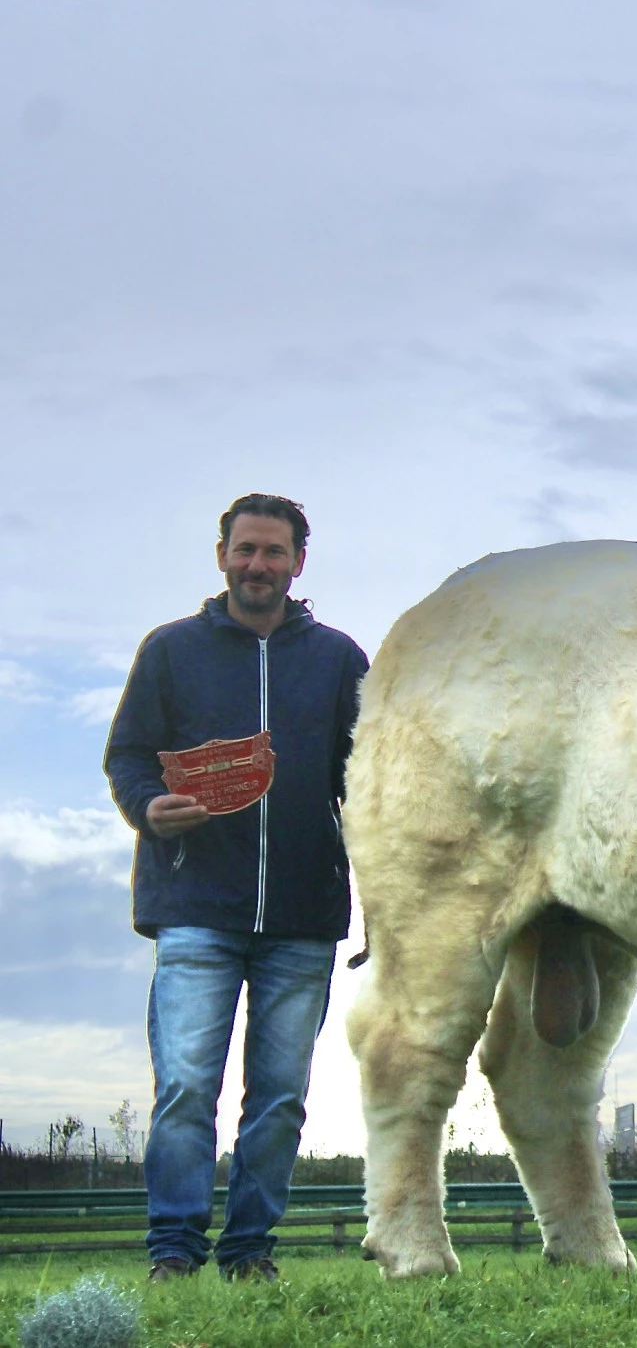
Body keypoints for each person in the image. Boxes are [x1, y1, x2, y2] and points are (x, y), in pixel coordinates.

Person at [104, 494, 369, 1282]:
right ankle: (175, 1252)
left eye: (275, 552)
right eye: (246, 549)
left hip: (302, 915)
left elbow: (371, 781)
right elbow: (127, 755)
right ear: (221, 554)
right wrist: (149, 807)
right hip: (193, 910)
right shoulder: (170, 651)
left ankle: (251, 1249)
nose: (259, 565)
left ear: (299, 563)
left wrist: (383, 894)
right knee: (186, 1087)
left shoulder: (340, 660)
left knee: (281, 1096)